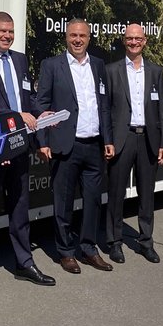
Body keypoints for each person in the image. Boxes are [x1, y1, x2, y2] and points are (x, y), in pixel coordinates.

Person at [0, 11, 56, 294]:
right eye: (2, 31)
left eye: (11, 31)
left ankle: (24, 263)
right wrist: (16, 114)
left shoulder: (20, 60)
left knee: (19, 208)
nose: (7, 36)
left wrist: (42, 116)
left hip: (19, 146)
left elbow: (28, 98)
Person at [36, 18, 114, 274]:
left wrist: (108, 139)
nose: (77, 40)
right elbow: (41, 105)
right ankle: (66, 252)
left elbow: (104, 104)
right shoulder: (52, 66)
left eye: (82, 36)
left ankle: (89, 249)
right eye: (73, 36)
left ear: (89, 38)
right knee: (64, 202)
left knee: (92, 201)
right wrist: (43, 141)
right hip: (65, 146)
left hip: (93, 145)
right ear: (66, 37)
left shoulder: (99, 65)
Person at [105, 23, 163, 265]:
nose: (133, 42)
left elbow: (162, 108)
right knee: (116, 194)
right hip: (122, 139)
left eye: (138, 39)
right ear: (124, 41)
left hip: (148, 140)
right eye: (129, 38)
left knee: (147, 195)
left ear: (145, 41)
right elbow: (106, 110)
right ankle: (114, 243)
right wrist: (108, 139)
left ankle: (146, 243)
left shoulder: (155, 71)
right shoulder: (111, 71)